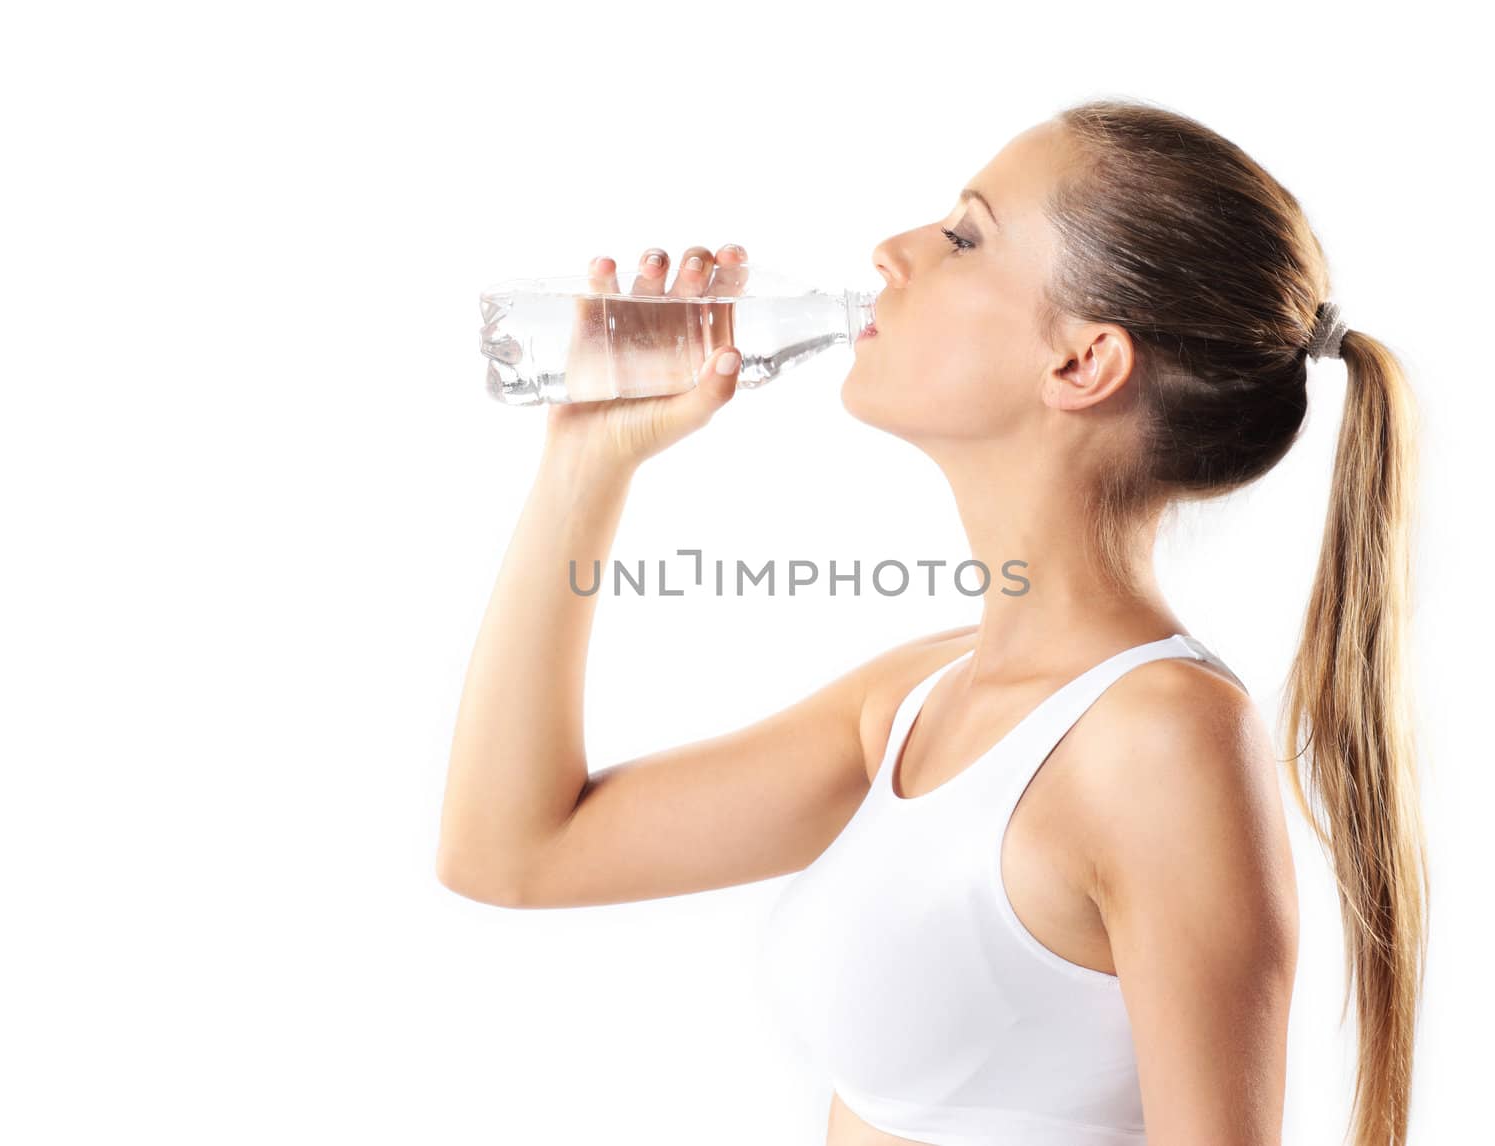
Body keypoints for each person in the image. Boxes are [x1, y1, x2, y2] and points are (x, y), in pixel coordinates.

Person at [437, 97, 1428, 1146]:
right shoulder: (918, 701)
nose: (893, 249)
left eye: (964, 235)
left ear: (1081, 363)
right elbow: (512, 852)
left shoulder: (1161, 743)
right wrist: (587, 467)